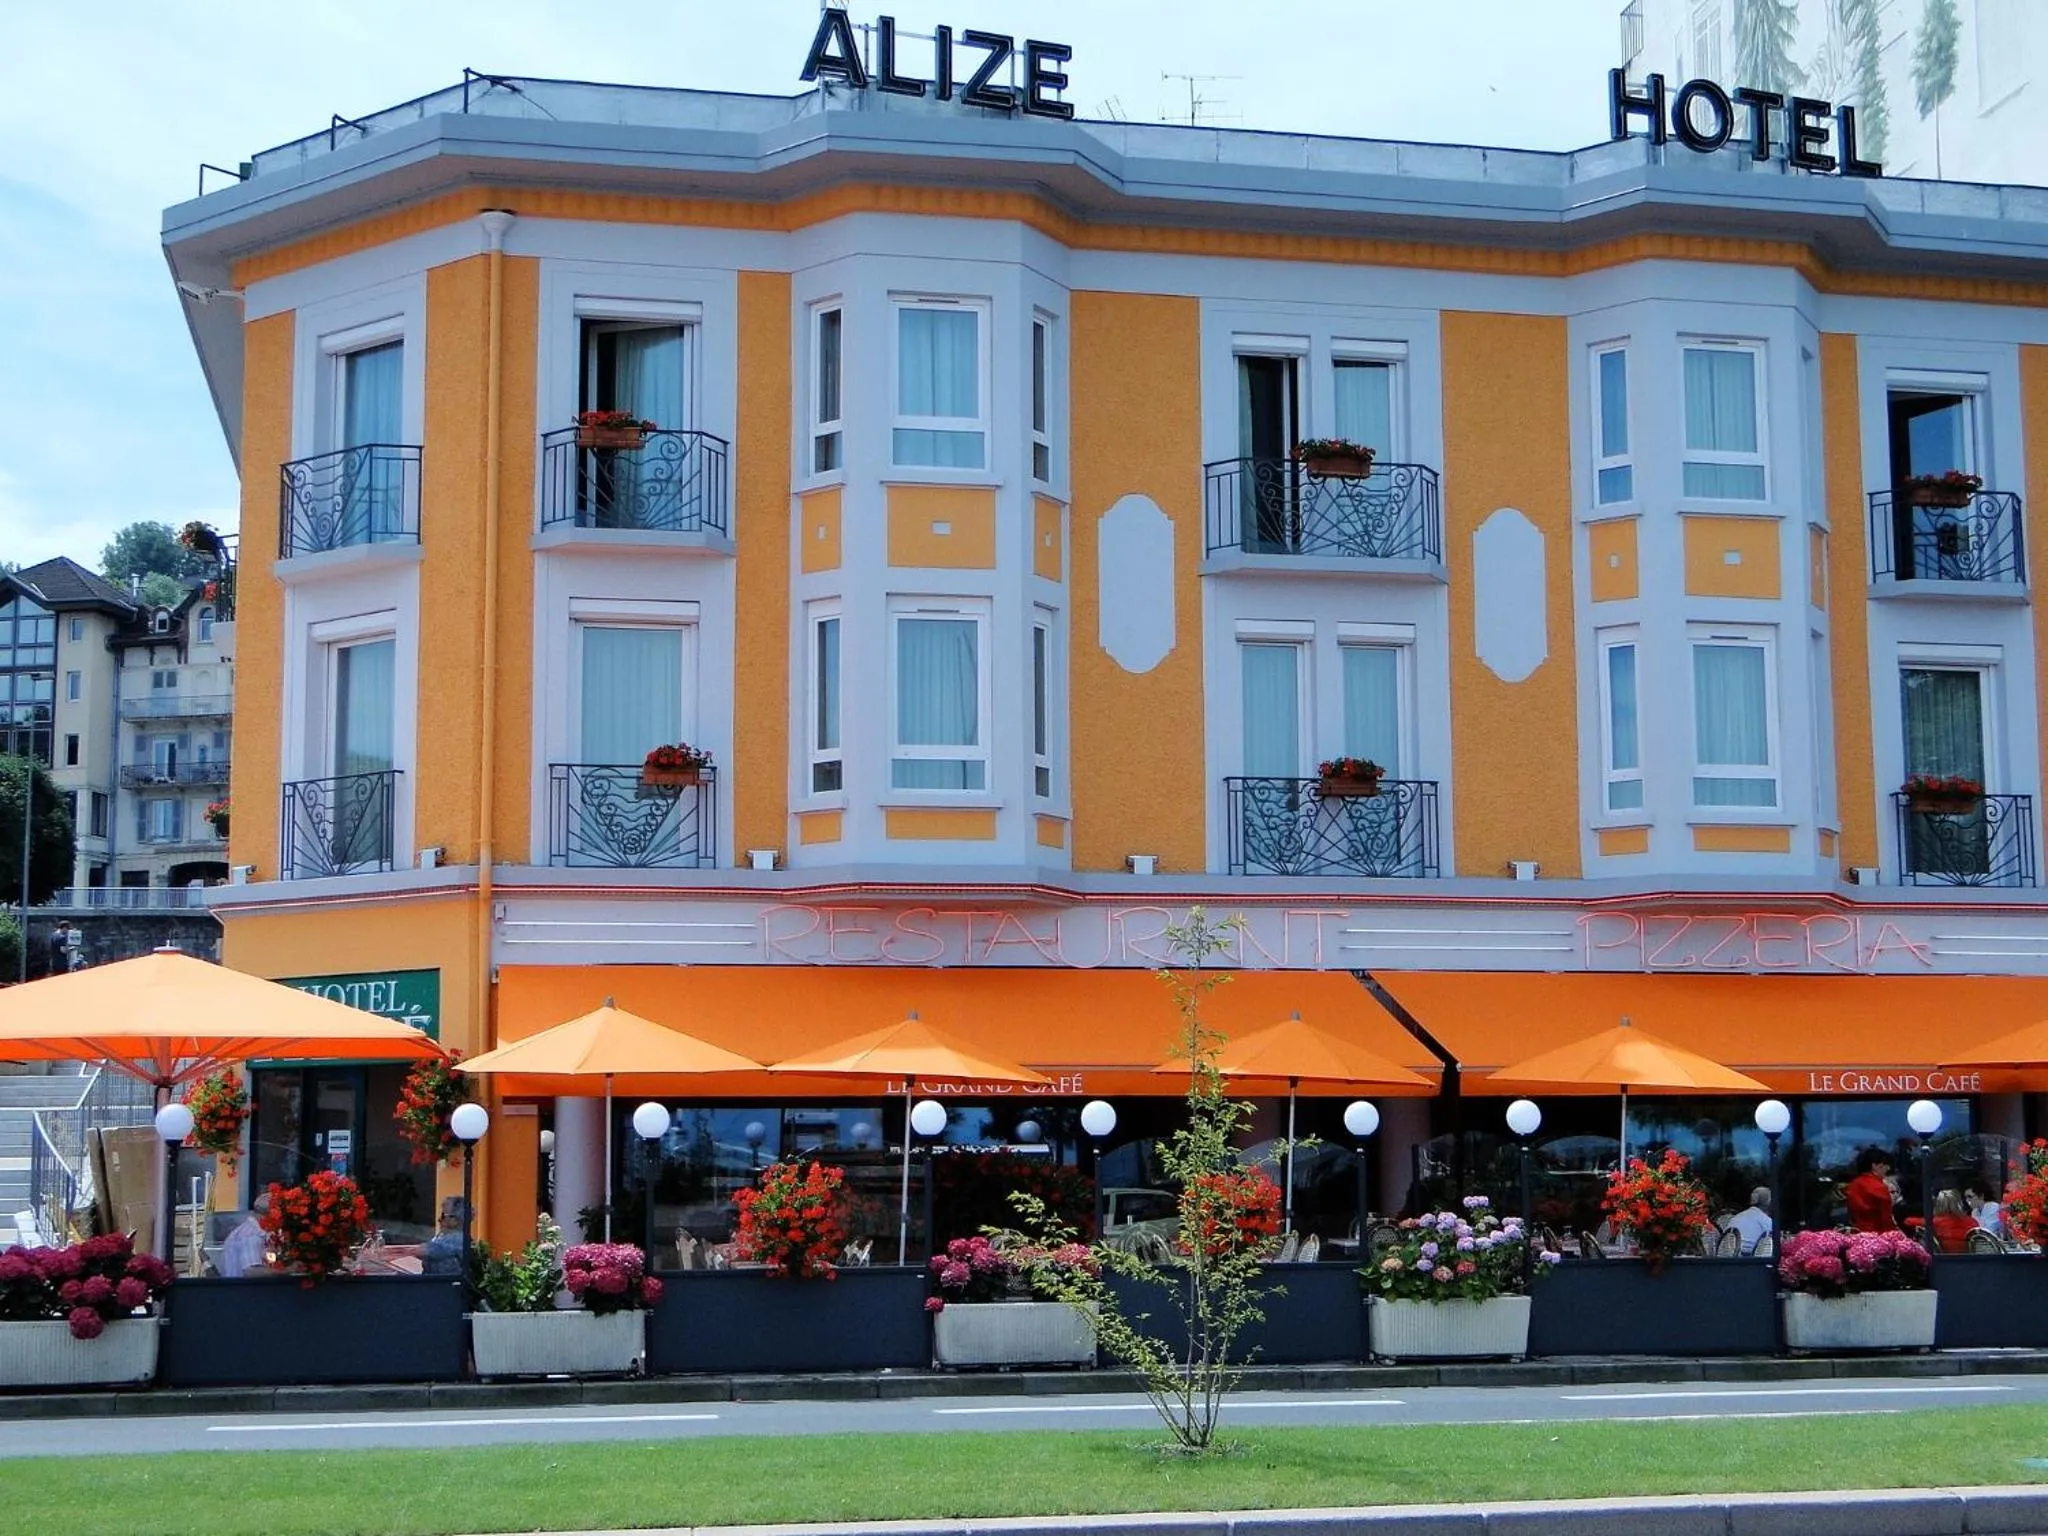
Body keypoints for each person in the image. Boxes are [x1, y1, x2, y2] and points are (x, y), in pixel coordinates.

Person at [1844, 1147, 1900, 1232]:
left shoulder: (1854, 1184)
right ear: (1874, 1166)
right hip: (1877, 1233)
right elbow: (1886, 1219)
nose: (1887, 1168)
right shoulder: (1879, 1187)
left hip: (1857, 1232)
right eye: (1885, 1165)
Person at [217, 1193, 270, 1277]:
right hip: (243, 1289)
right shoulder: (251, 1235)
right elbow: (252, 1271)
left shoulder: (250, 1231)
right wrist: (285, 1272)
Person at [419, 1196, 470, 1275]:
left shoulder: (456, 1240)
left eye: (443, 1215)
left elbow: (433, 1250)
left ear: (455, 1220)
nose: (439, 1220)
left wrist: (410, 1250)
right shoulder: (441, 1238)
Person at [1723, 1186, 1773, 1255]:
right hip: (1748, 1262)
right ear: (1769, 1203)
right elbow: (1772, 1244)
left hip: (1725, 1258)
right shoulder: (1766, 1221)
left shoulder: (1737, 1217)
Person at [1932, 1188, 1979, 1253]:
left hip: (1942, 1260)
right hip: (1968, 1260)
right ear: (1959, 1203)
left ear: (1938, 1204)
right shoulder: (1971, 1222)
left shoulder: (1933, 1223)